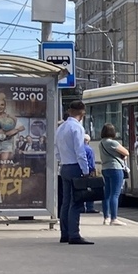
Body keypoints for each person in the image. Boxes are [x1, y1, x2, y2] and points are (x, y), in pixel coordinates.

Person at [55, 100, 93, 245]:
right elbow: (80, 151)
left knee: (66, 202)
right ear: (82, 113)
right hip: (75, 167)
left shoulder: (61, 127)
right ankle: (74, 234)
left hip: (64, 166)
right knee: (76, 202)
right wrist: (85, 170)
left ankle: (64, 233)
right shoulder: (77, 128)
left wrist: (62, 161)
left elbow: (56, 149)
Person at [98, 123, 129, 226]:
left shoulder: (101, 143)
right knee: (115, 194)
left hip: (105, 169)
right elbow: (126, 152)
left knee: (106, 194)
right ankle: (114, 218)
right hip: (115, 169)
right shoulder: (113, 143)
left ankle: (106, 217)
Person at [80, 135, 100, 215]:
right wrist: (92, 170)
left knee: (80, 189)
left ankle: (81, 207)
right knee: (89, 190)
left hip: (78, 171)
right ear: (88, 141)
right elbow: (91, 162)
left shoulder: (78, 148)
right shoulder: (89, 149)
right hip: (87, 171)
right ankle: (90, 207)